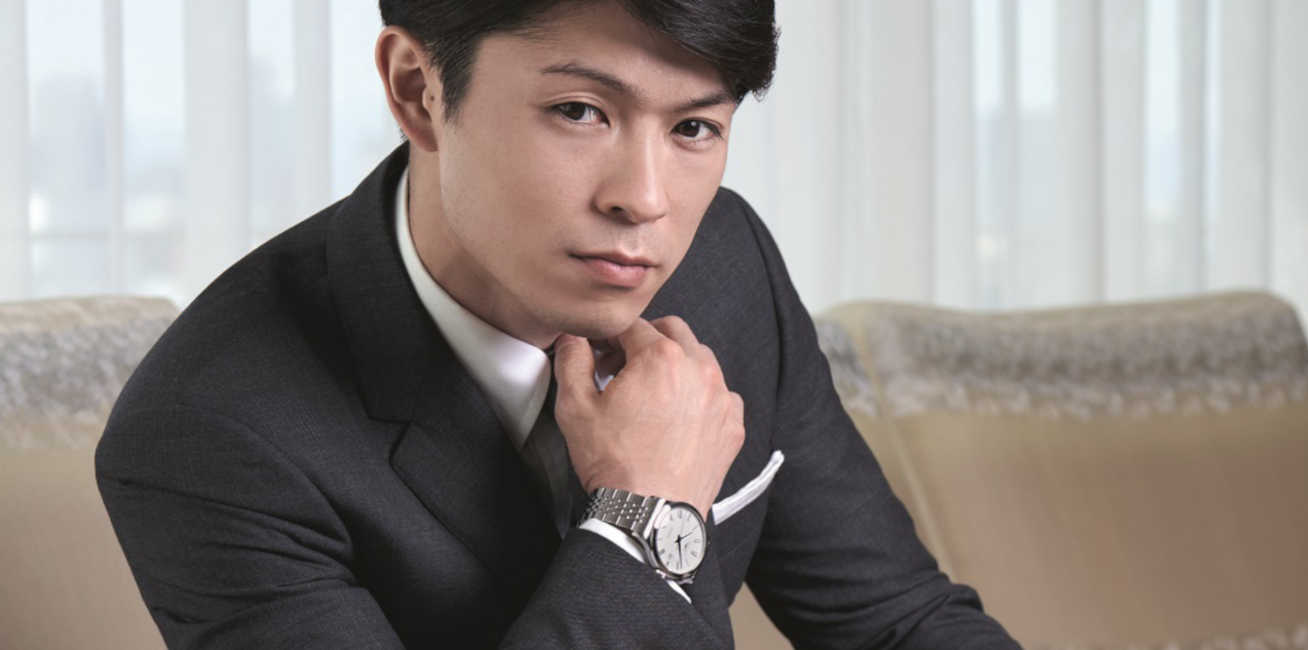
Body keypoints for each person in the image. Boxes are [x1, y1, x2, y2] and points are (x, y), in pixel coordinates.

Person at [96, 0, 1021, 647]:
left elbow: (898, 624)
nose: (644, 200)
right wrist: (644, 520)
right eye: (580, 112)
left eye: (694, 129)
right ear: (418, 89)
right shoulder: (209, 433)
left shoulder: (725, 262)